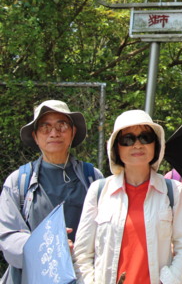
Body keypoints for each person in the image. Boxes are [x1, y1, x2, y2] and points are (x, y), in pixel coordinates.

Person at [73, 109, 182, 283]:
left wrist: (167, 280)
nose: (137, 145)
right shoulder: (99, 191)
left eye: (145, 137)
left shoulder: (173, 191)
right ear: (116, 147)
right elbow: (82, 254)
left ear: (156, 144)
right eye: (128, 139)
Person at [0, 99, 103, 284]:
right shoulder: (18, 182)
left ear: (73, 132)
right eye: (45, 127)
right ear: (35, 136)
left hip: (82, 277)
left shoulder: (93, 178)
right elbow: (8, 236)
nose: (54, 133)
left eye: (61, 126)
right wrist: (49, 245)